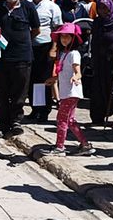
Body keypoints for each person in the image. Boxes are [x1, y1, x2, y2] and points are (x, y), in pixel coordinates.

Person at [0, 0, 40, 137]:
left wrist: (23, 41)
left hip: (22, 56)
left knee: (20, 91)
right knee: (2, 91)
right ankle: (3, 121)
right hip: (1, 57)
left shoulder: (28, 7)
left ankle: (16, 120)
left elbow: (36, 29)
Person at [40, 23, 95, 157]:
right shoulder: (65, 54)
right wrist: (53, 79)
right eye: (62, 36)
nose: (64, 39)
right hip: (67, 92)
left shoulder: (74, 54)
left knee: (61, 119)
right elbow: (62, 72)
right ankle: (85, 144)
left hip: (71, 92)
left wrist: (76, 77)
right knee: (69, 120)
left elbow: (78, 71)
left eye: (67, 37)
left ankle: (60, 147)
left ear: (73, 38)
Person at [29, 0, 63, 122]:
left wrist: (54, 48)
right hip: (30, 47)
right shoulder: (27, 6)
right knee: (32, 80)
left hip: (45, 47)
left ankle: (44, 110)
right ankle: (35, 108)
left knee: (44, 80)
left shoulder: (52, 7)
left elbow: (57, 29)